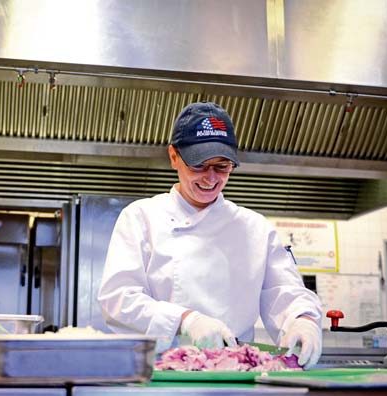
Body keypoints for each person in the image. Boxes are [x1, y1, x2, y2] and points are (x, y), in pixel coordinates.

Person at [97, 102, 323, 369]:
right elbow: (118, 299)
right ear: (173, 157)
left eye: (222, 167)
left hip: (236, 373)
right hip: (162, 375)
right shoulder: (141, 217)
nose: (211, 178)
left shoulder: (255, 228)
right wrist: (186, 320)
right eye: (199, 166)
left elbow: (284, 292)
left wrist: (303, 320)